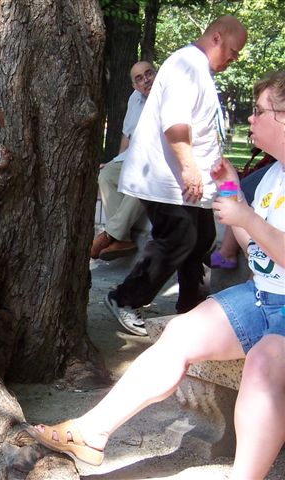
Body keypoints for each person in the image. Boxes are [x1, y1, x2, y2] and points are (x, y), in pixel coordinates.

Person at [27, 69, 285, 480]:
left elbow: (258, 234)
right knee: (179, 333)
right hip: (263, 297)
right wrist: (233, 191)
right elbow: (254, 245)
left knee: (264, 363)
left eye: (259, 111)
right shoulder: (273, 175)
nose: (250, 119)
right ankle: (91, 434)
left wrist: (247, 219)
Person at [104, 15, 247, 336]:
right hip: (167, 181)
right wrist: (189, 166)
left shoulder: (197, 70)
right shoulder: (186, 65)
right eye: (233, 51)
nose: (232, 59)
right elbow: (175, 123)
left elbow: (202, 128)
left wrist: (215, 166)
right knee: (178, 238)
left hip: (186, 182)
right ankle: (124, 298)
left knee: (200, 241)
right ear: (216, 38)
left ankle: (191, 306)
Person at [91, 61, 155, 261]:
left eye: (149, 74)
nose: (146, 80)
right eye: (139, 79)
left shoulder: (167, 96)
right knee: (107, 174)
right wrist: (117, 161)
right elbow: (127, 136)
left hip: (156, 162)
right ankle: (124, 238)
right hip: (133, 156)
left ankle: (109, 235)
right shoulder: (134, 99)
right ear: (134, 86)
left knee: (141, 180)